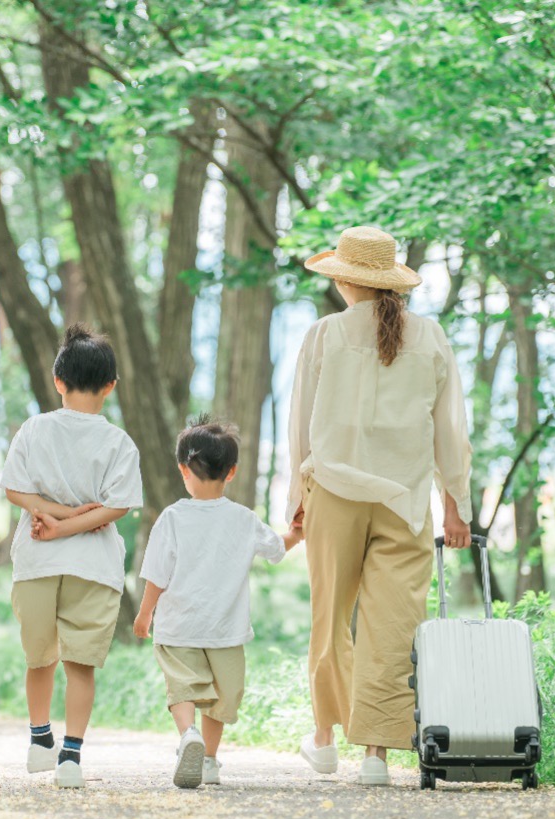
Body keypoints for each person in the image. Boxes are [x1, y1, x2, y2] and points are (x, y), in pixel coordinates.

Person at [287, 226, 473, 787]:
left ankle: (323, 740)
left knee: (330, 621)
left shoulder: (324, 335)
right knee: (393, 627)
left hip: (335, 495)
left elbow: (300, 428)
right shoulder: (431, 336)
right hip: (404, 501)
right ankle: (375, 755)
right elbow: (450, 432)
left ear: (344, 278)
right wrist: (456, 504)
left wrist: (296, 501)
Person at [0, 324, 143, 789]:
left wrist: (52, 520)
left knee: (39, 657)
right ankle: (71, 758)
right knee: (81, 663)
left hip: (38, 561)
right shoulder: (119, 442)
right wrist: (72, 520)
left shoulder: (35, 429)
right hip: (93, 567)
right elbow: (117, 506)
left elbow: (14, 490)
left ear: (58, 380)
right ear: (111, 386)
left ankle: (40, 740)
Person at [132, 417, 303, 789]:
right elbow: (276, 549)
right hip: (225, 630)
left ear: (183, 470)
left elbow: (157, 574)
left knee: (183, 687)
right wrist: (296, 534)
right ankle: (208, 759)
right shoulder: (243, 520)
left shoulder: (173, 518)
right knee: (222, 698)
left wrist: (145, 614)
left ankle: (186, 736)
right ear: (232, 472)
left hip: (179, 626)